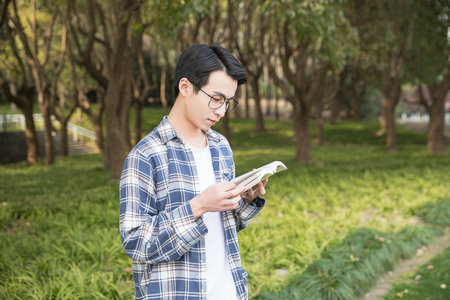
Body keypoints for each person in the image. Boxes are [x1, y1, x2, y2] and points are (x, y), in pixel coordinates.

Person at [119, 44, 268, 300]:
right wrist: (197, 206)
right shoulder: (146, 155)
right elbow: (136, 243)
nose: (221, 111)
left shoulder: (221, 147)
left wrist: (246, 201)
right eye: (216, 98)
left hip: (229, 291)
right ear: (185, 87)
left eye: (228, 102)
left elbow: (225, 225)